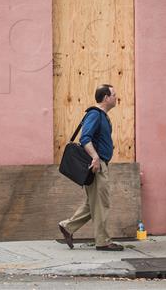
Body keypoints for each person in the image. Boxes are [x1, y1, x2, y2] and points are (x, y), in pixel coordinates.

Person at [58, 84, 124, 252]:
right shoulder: (95, 114)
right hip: (97, 165)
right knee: (102, 204)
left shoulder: (101, 116)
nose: (116, 97)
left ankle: (68, 227)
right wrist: (95, 157)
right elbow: (85, 138)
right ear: (106, 98)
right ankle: (103, 242)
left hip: (99, 164)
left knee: (92, 203)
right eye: (114, 95)